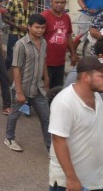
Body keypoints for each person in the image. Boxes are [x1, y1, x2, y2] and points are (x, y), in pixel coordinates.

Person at [49, 56, 103, 191]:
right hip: (70, 183)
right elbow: (58, 140)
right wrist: (71, 178)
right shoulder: (64, 102)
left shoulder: (97, 97)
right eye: (101, 76)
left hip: (95, 179)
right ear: (85, 77)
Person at [4, 13, 50, 153]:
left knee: (46, 118)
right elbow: (16, 69)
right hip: (22, 87)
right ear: (29, 27)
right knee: (15, 114)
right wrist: (19, 92)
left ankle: (51, 148)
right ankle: (9, 138)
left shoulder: (43, 42)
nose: (40, 30)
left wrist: (46, 80)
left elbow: (43, 61)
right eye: (37, 27)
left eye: (42, 27)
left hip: (38, 87)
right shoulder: (21, 45)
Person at [42, 0, 77, 89]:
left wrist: (73, 54)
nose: (60, 5)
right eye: (57, 2)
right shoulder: (44, 16)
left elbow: (68, 36)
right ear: (51, 2)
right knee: (45, 89)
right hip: (46, 63)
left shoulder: (66, 17)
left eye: (62, 2)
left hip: (60, 62)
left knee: (57, 89)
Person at [4, 0, 35, 69]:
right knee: (11, 58)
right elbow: (5, 18)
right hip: (15, 34)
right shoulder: (13, 2)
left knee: (24, 58)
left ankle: (19, 76)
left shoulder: (30, 2)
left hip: (26, 34)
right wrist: (18, 26)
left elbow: (35, 1)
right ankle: (3, 74)